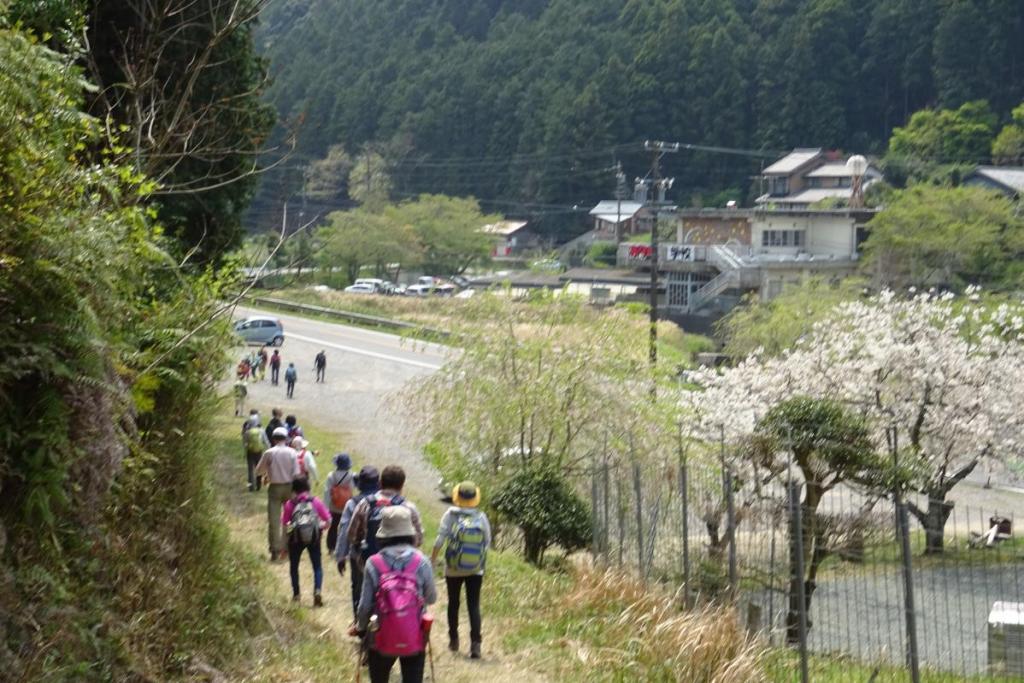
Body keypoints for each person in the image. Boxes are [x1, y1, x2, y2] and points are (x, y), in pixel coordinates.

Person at [355, 505, 436, 683]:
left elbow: (365, 605)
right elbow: (431, 598)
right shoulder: (421, 562)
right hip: (414, 633)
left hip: (380, 634)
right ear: (410, 532)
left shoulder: (374, 563)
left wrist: (361, 628)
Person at [431, 481, 491, 659]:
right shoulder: (481, 517)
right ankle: (476, 645)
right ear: (475, 498)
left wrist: (433, 560)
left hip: (453, 567)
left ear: (457, 497)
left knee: (453, 603)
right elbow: (487, 543)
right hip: (475, 569)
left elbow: (440, 540)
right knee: (473, 605)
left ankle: (454, 640)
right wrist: (479, 562)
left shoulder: (450, 515)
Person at [347, 465, 424, 572]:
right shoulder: (408, 508)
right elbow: (419, 539)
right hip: (398, 569)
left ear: (380, 483)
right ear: (402, 486)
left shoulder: (365, 504)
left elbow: (351, 535)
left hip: (369, 565)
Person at [337, 466, 380, 618]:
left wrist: (341, 556)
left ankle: (359, 624)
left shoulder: (353, 503)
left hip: (359, 554)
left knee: (359, 589)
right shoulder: (386, 502)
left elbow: (344, 532)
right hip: (383, 556)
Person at [282, 477, 331, 606]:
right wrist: (320, 527)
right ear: (308, 487)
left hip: (295, 540)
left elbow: (286, 525)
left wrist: (286, 543)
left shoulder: (289, 504)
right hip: (314, 538)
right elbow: (328, 520)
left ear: (294, 489)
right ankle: (317, 591)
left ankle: (297, 595)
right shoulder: (316, 501)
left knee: (294, 567)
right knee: (317, 566)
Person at [255, 427, 298, 561]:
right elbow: (296, 473)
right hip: (290, 487)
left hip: (274, 488)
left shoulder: (269, 452)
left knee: (274, 520)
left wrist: (268, 472)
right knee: (290, 519)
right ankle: (288, 547)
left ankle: (274, 549)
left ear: (273, 439)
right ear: (286, 439)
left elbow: (258, 471)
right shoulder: (292, 453)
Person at [323, 453, 355, 553]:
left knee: (333, 527)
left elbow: (327, 492)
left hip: (333, 506)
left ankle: (331, 548)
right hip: (347, 505)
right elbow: (353, 489)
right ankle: (344, 548)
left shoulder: (331, 475)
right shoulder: (351, 476)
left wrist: (326, 507)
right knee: (345, 527)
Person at [243, 413, 270, 492]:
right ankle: (258, 485)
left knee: (250, 469)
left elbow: (245, 444)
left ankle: (251, 486)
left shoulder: (247, 432)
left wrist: (245, 453)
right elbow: (266, 441)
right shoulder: (261, 431)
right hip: (259, 452)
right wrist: (269, 448)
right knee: (259, 468)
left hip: (250, 451)